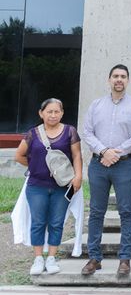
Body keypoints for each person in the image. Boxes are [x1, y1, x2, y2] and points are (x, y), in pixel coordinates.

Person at [81, 65, 131, 277]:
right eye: (116, 76)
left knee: (126, 211)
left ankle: (125, 258)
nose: (119, 80)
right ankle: (94, 258)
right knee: (96, 212)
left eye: (123, 77)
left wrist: (117, 152)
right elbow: (87, 132)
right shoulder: (96, 105)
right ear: (109, 79)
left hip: (125, 164)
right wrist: (104, 151)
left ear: (128, 80)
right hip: (98, 164)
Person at [15, 98, 82, 276]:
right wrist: (35, 167)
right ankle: (38, 258)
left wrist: (78, 176)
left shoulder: (70, 132)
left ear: (62, 113)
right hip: (36, 186)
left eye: (56, 111)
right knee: (38, 222)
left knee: (56, 222)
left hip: (62, 186)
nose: (53, 115)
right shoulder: (32, 134)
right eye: (49, 111)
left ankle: (51, 258)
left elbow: (77, 156)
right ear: (41, 113)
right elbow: (19, 155)